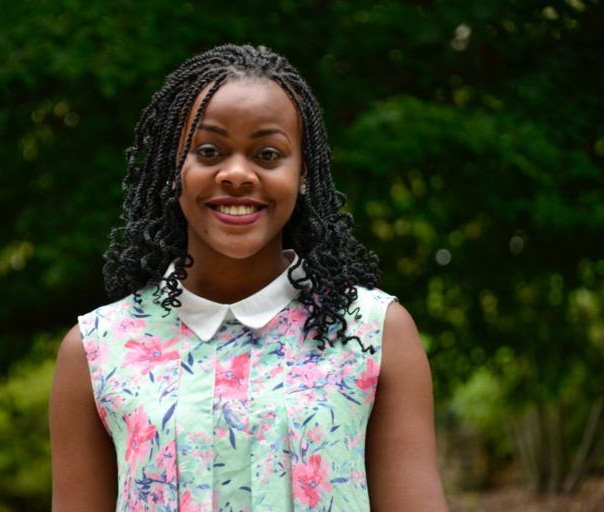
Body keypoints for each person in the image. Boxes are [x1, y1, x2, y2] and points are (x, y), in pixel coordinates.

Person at [50, 44, 447, 511]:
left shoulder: (375, 332)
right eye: (209, 151)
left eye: (267, 154)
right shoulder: (96, 350)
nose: (237, 174)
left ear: (303, 172)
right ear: (173, 170)